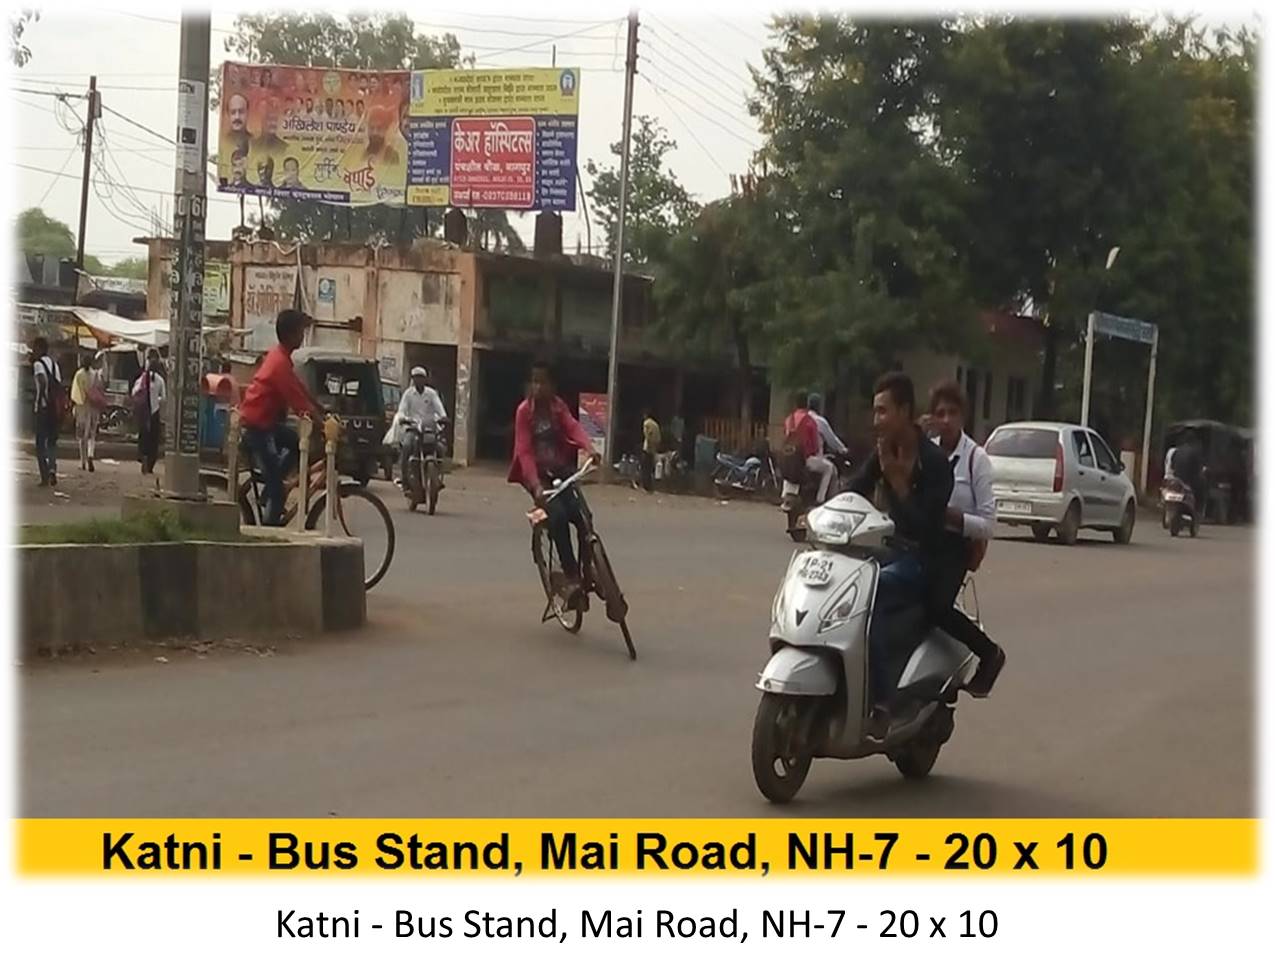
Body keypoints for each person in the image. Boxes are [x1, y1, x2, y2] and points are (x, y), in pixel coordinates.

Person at [845, 372, 954, 736]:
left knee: (869, 598)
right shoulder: (884, 453)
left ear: (905, 411)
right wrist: (821, 513)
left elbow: (925, 527)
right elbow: (854, 490)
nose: (876, 421)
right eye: (874, 412)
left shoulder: (936, 464)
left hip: (922, 560)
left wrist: (897, 484)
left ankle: (883, 702)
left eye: (883, 412)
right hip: (886, 551)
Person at [927, 380, 1006, 697]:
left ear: (963, 416)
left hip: (956, 546)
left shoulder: (976, 459)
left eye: (952, 413)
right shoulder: (926, 451)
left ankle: (989, 654)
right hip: (923, 541)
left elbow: (988, 524)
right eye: (940, 413)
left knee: (937, 608)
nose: (946, 420)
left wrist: (952, 517)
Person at [508, 360, 601, 604]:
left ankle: (589, 568)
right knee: (558, 517)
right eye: (534, 381)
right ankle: (571, 577)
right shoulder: (523, 412)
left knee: (582, 516)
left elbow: (573, 427)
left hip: (560, 469)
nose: (537, 387)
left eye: (542, 382)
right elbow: (524, 452)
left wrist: (589, 448)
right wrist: (536, 485)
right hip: (536, 475)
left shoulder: (557, 407)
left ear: (552, 385)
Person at [239, 310, 324, 526]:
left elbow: (299, 389)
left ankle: (269, 490)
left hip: (268, 424)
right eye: (300, 332)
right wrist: (320, 423)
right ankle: (269, 530)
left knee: (294, 443)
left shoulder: (281, 358)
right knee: (278, 487)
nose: (302, 336)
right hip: (259, 427)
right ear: (290, 334)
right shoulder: (278, 364)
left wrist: (319, 407)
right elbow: (297, 402)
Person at [394, 366, 448, 493]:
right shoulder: (408, 394)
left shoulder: (431, 393)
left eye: (421, 378)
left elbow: (440, 409)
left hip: (429, 428)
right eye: (416, 378)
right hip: (413, 428)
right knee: (407, 446)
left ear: (425, 379)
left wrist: (443, 417)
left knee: (440, 447)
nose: (419, 381)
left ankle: (437, 476)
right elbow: (402, 410)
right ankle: (404, 479)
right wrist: (403, 418)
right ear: (413, 379)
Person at [31, 337, 63, 487]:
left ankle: (44, 476)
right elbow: (58, 386)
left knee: (40, 444)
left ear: (40, 348)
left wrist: (40, 400)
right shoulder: (55, 365)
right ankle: (52, 469)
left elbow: (42, 382)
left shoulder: (38, 364)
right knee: (51, 442)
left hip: (43, 408)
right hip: (54, 409)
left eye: (34, 348)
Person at [132, 348, 167, 476]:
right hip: (154, 413)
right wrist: (155, 400)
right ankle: (150, 464)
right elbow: (164, 398)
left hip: (143, 413)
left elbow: (134, 392)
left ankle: (143, 458)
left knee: (143, 437)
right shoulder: (160, 380)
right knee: (154, 440)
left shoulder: (142, 378)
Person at [806, 392, 848, 497]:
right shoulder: (820, 421)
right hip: (813, 458)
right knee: (830, 468)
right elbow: (832, 440)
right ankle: (821, 499)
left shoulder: (802, 419)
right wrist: (843, 449)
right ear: (819, 406)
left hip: (798, 458)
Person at [71, 352, 107, 472]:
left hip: (82, 407)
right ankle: (91, 455)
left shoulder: (79, 375)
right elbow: (100, 388)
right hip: (94, 407)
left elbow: (75, 394)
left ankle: (83, 462)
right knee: (92, 434)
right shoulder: (95, 374)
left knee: (82, 437)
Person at [1170, 433, 1207, 521]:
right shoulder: (1195, 452)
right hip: (1189, 481)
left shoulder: (1177, 451)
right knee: (1202, 486)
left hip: (1177, 480)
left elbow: (1172, 465)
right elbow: (1198, 469)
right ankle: (1198, 511)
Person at [640, 408, 661, 493]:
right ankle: (650, 486)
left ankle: (645, 487)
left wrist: (648, 445)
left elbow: (647, 435)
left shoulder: (646, 423)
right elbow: (659, 438)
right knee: (650, 468)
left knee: (645, 468)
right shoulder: (655, 424)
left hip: (647, 448)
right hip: (654, 448)